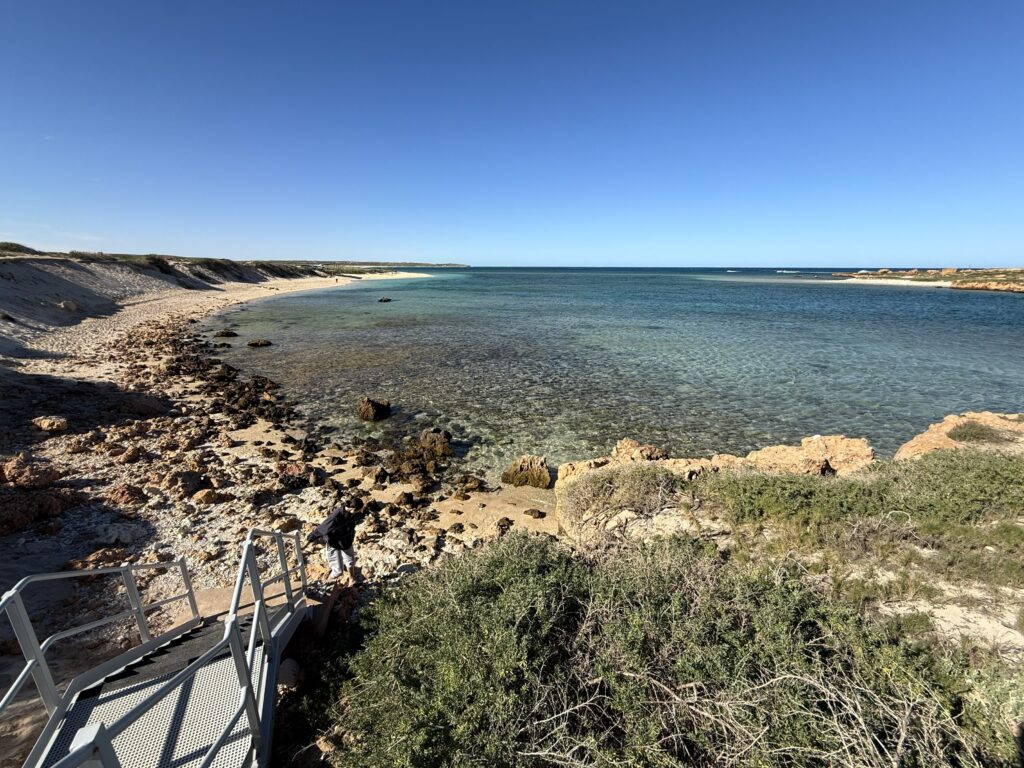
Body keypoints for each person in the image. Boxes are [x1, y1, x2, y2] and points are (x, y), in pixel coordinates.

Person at [306, 498, 363, 581]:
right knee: (338, 571)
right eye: (359, 510)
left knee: (350, 562)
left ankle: (351, 579)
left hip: (346, 541)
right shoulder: (336, 515)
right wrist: (308, 541)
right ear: (353, 509)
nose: (360, 512)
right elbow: (321, 528)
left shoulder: (352, 513)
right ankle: (327, 583)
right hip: (334, 543)